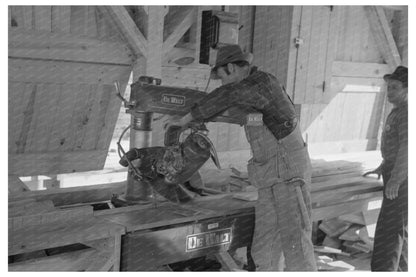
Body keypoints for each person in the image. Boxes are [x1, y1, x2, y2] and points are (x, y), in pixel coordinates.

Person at [165, 44, 317, 271]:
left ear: (232, 67)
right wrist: (206, 118)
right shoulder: (252, 95)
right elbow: (251, 118)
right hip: (268, 176)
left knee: (295, 242)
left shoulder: (262, 83)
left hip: (288, 172)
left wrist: (186, 118)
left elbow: (229, 93)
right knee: (264, 246)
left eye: (222, 76)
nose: (222, 82)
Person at [363, 66, 408, 271]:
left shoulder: (407, 113)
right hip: (396, 172)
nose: (389, 92)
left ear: (408, 89)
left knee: (389, 231)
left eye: (395, 88)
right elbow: (396, 147)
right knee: (399, 229)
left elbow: (408, 150)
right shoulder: (397, 111)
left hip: (403, 179)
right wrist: (383, 166)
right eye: (388, 87)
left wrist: (396, 180)